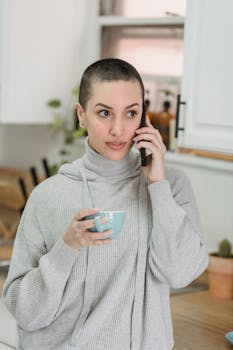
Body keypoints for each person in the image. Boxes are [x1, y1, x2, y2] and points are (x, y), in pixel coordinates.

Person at [3, 58, 209, 350]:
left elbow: (181, 274)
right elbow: (25, 311)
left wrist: (158, 186)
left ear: (144, 118)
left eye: (131, 113)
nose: (118, 129)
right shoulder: (49, 196)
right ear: (81, 115)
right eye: (104, 113)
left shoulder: (170, 185)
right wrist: (68, 246)